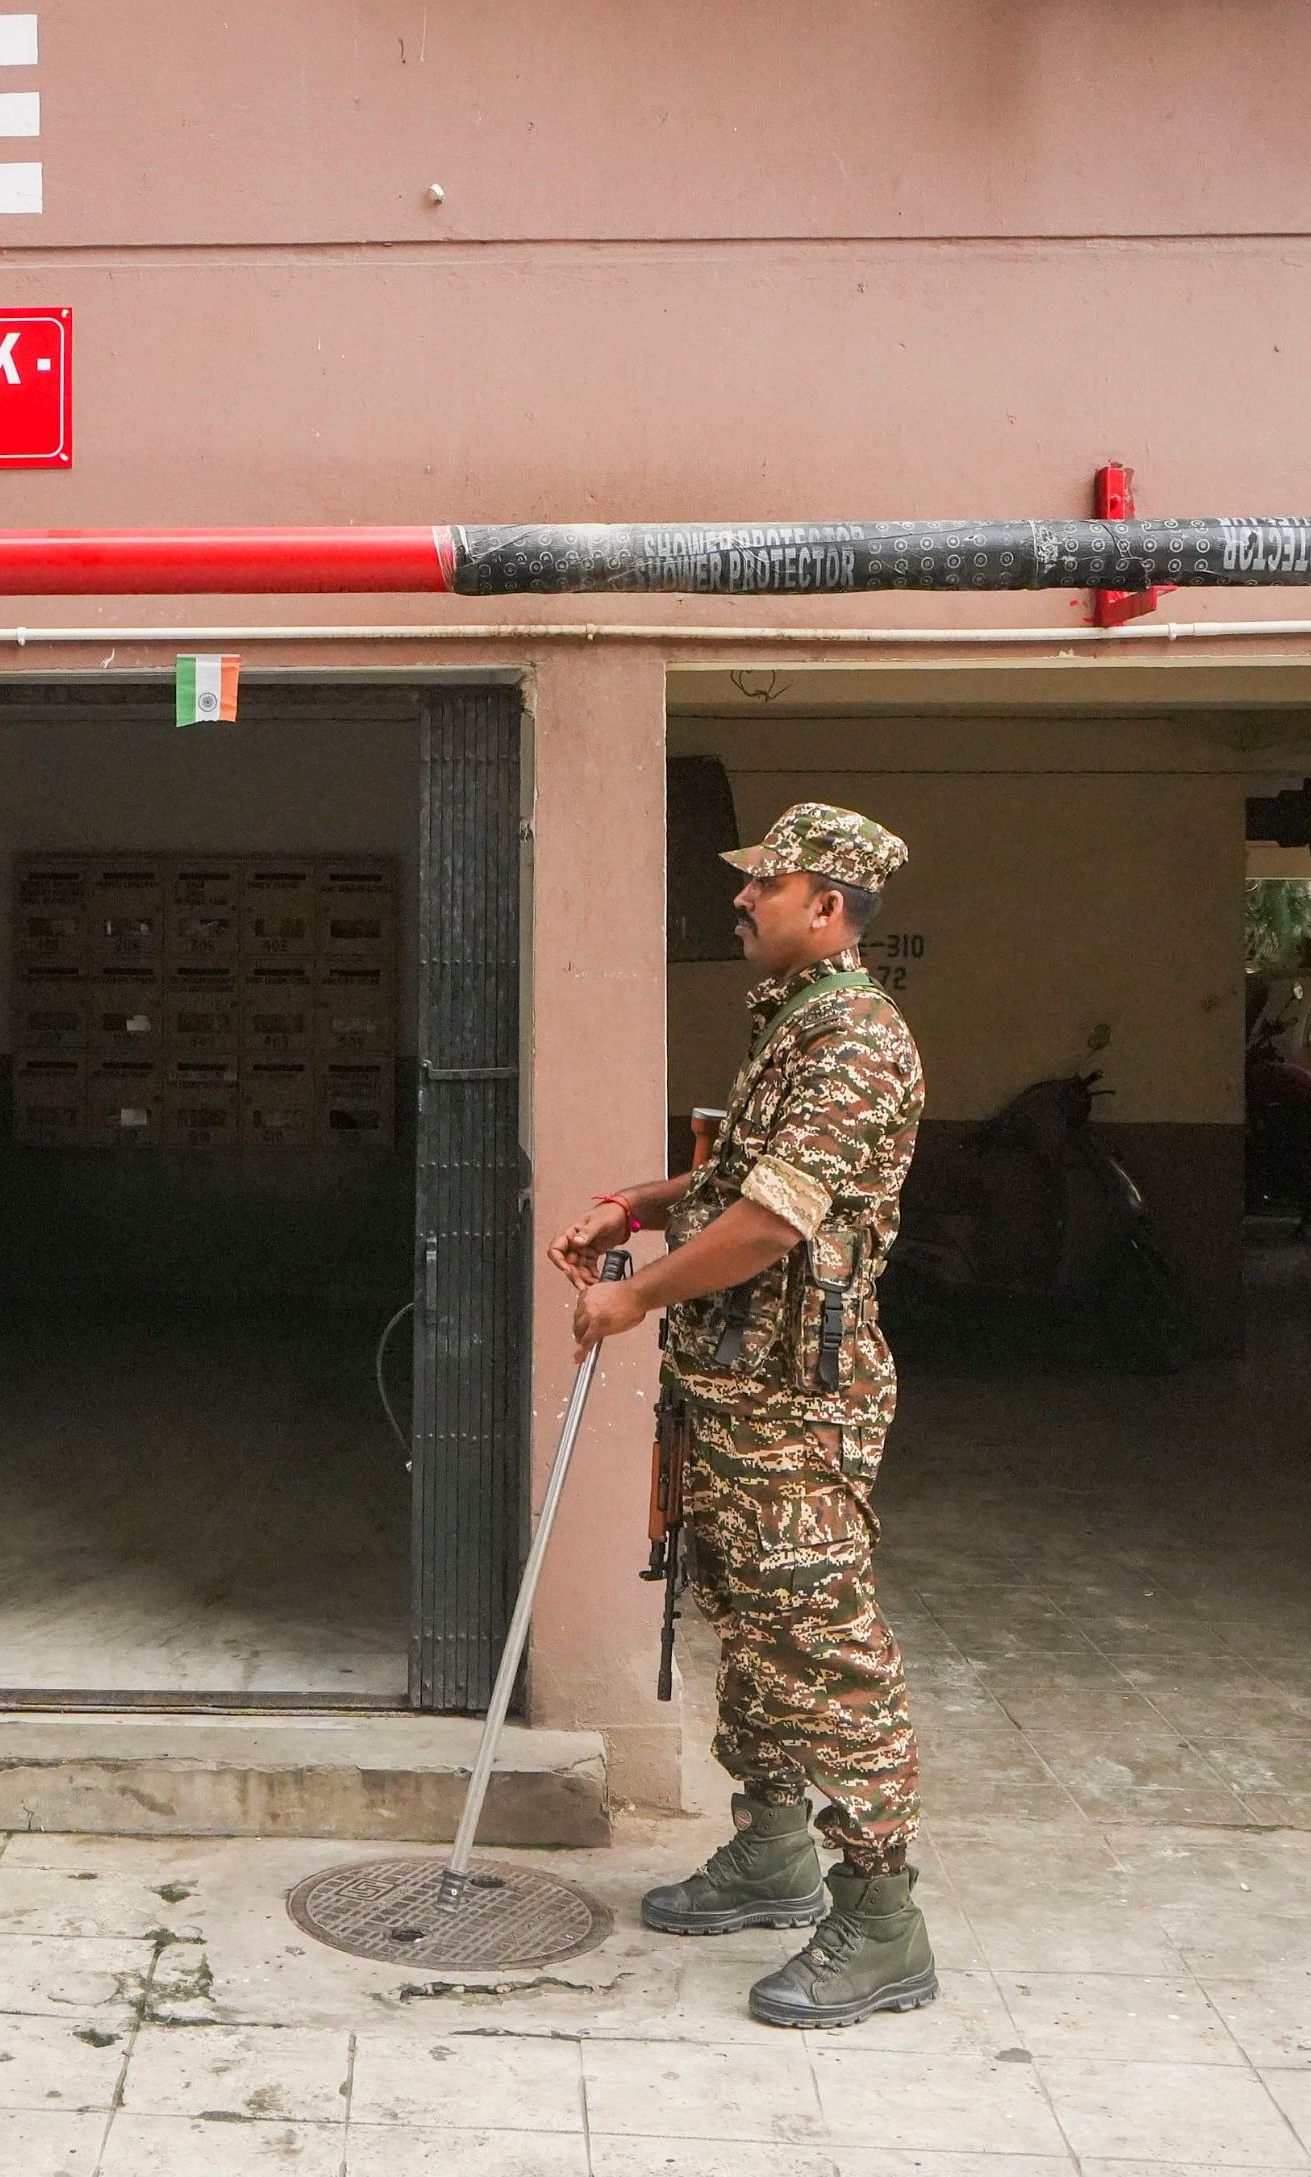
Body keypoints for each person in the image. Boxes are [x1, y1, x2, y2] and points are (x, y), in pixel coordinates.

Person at [555, 801, 935, 2029]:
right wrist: (636, 1203)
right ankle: (772, 1849)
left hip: (795, 1406)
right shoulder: (795, 1023)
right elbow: (733, 1184)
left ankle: (881, 1918)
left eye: (762, 883)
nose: (739, 899)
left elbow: (773, 1224)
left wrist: (635, 1298)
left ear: (827, 906)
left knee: (825, 1646)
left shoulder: (855, 1041)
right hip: (734, 1389)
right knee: (748, 1628)